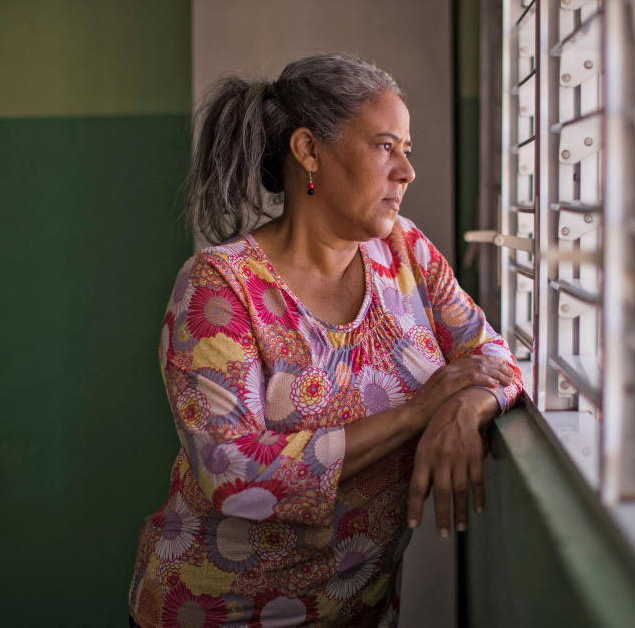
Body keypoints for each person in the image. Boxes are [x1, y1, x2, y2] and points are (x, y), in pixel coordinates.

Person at [128, 54, 522, 628]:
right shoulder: (220, 286)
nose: (407, 170)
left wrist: (469, 405)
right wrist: (417, 414)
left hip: (361, 612)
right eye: (386, 146)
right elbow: (231, 471)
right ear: (309, 151)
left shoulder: (405, 251)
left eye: (406, 148)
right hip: (219, 612)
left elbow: (492, 356)